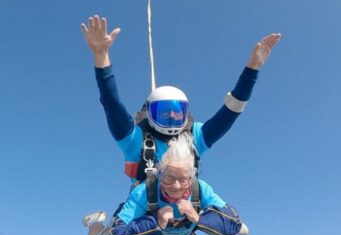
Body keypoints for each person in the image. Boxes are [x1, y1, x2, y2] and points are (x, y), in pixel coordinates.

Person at [80, 16, 281, 185]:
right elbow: (111, 102)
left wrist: (253, 67)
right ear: (149, 113)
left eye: (178, 113)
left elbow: (233, 109)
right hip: (141, 218)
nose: (171, 117)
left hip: (182, 221)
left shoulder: (195, 137)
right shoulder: (134, 140)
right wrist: (101, 56)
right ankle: (94, 224)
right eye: (164, 112)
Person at [84, 134, 248, 235]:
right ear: (159, 174)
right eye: (169, 178)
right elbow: (118, 232)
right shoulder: (144, 192)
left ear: (192, 177)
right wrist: (156, 222)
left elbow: (235, 225)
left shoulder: (200, 189)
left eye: (183, 180)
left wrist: (198, 218)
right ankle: (95, 222)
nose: (176, 186)